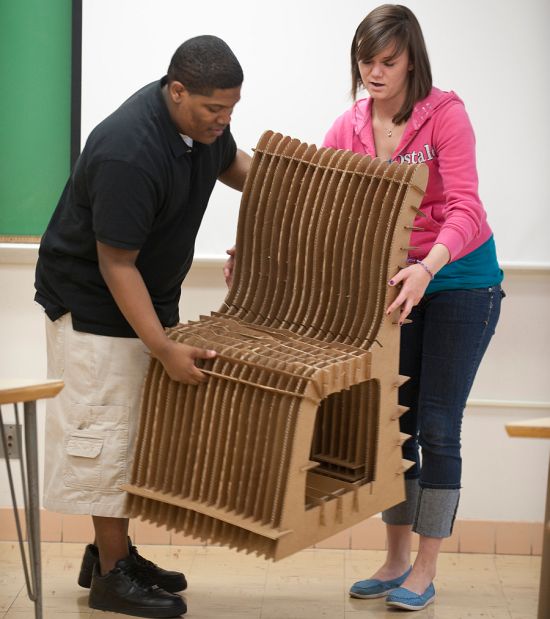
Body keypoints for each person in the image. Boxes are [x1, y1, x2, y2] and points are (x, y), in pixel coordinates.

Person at [35, 35, 251, 618]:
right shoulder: (129, 150)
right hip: (93, 307)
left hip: (140, 298)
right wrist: (162, 347)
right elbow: (116, 263)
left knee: (130, 437)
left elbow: (235, 166)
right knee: (107, 438)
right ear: (176, 91)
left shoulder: (201, 126)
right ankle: (111, 578)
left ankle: (113, 554)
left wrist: (306, 198)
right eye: (214, 109)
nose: (223, 120)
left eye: (232, 108)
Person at [322, 4, 504, 612]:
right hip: (400, 288)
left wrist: (429, 267)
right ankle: (396, 558)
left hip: (460, 282)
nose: (373, 72)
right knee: (395, 427)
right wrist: (256, 244)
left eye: (387, 62)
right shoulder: (347, 129)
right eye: (365, 61)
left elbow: (467, 207)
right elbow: (324, 206)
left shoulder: (445, 116)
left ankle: (425, 567)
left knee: (436, 425)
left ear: (410, 61)